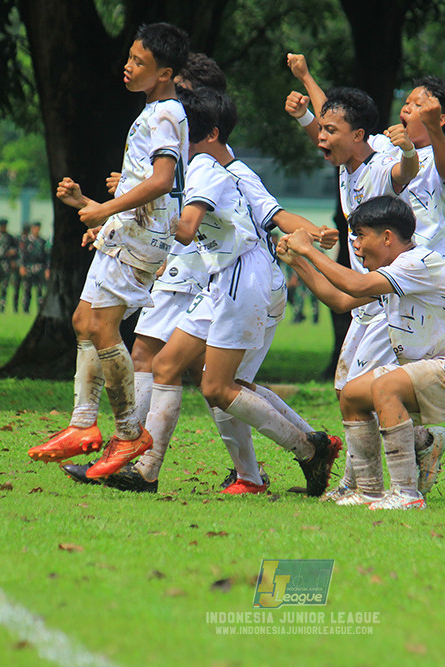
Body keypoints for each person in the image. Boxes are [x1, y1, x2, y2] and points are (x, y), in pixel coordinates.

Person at [81, 87, 340, 492]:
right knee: (169, 366)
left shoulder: (205, 166)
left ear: (204, 135)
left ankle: (307, 450)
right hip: (223, 278)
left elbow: (189, 228)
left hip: (244, 276)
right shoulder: (199, 167)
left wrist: (123, 220)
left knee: (219, 387)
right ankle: (147, 470)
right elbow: (269, 216)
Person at [287, 74, 445, 501]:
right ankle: (414, 448)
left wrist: (407, 147)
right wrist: (308, 98)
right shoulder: (364, 154)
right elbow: (340, 124)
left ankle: (380, 486)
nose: (407, 108)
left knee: (366, 387)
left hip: (400, 288)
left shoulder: (397, 159)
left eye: (419, 104)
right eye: (407, 102)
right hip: (370, 290)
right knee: (347, 387)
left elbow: (404, 171)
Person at [26, 22, 190, 473]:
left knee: (102, 327)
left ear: (164, 72)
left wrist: (105, 211)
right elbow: (149, 181)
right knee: (83, 319)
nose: (128, 65)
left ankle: (127, 434)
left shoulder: (164, 113)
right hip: (128, 228)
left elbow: (162, 180)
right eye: (131, 57)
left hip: (142, 235)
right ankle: (83, 424)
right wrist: (97, 208)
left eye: (140, 61)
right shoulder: (154, 110)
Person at [278, 196, 445, 509]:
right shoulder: (394, 271)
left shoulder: (417, 263)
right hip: (440, 369)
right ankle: (368, 491)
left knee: (384, 386)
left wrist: (309, 249)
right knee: (352, 394)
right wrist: (298, 261)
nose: (355, 246)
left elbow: (353, 285)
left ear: (388, 237)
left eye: (361, 236)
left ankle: (407, 495)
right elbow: (340, 300)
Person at [19, 221, 50, 313]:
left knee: (40, 290)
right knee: (27, 289)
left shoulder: (42, 241)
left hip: (39, 268)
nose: (36, 230)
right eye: (34, 228)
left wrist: (47, 269)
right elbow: (22, 255)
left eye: (38, 228)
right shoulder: (26, 241)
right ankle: (25, 309)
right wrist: (22, 266)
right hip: (29, 267)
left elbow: (46, 257)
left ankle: (40, 309)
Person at [11, 223, 30, 313]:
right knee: (17, 288)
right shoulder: (17, 239)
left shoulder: (28, 241)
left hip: (25, 267)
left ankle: (24, 308)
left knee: (25, 288)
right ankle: (15, 307)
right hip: (17, 267)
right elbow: (13, 251)